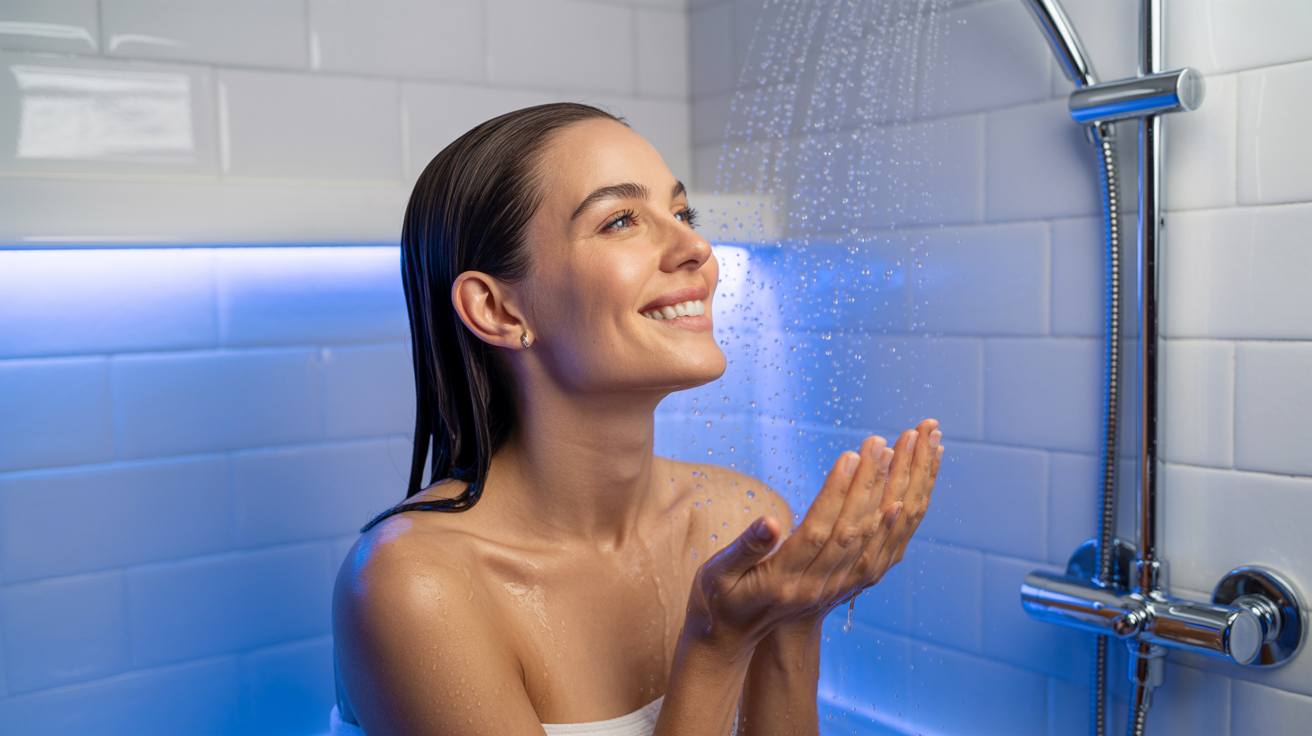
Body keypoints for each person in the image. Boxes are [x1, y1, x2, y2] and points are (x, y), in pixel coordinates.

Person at [331, 102, 943, 736]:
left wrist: (793, 622)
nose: (696, 247)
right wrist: (715, 644)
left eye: (682, 213)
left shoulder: (736, 520)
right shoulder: (416, 586)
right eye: (621, 220)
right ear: (497, 310)